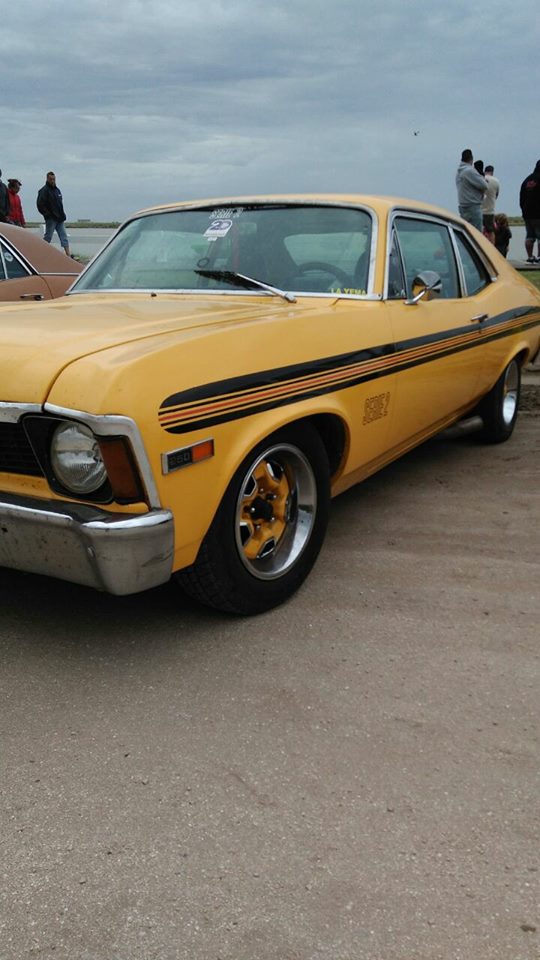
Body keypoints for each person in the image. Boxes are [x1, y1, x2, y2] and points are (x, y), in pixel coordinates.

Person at [36, 171, 71, 256]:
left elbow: (60, 203)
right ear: (47, 179)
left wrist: (62, 214)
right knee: (48, 237)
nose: (52, 181)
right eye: (51, 179)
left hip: (60, 218)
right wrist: (47, 215)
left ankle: (68, 255)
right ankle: (41, 253)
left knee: (64, 236)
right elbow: (40, 204)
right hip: (51, 219)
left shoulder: (57, 190)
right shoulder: (43, 191)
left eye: (54, 179)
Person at [455, 149, 486, 231]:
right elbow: (484, 185)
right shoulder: (470, 171)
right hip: (473, 207)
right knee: (477, 235)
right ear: (471, 159)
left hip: (463, 207)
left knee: (466, 232)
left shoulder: (458, 172)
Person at [519, 159, 540, 264]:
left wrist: (523, 210)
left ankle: (530, 257)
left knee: (529, 236)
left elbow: (521, 198)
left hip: (527, 214)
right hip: (538, 214)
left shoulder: (526, 180)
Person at [481, 164, 500, 244]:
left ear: (485, 171)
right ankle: (491, 248)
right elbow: (496, 195)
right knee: (491, 231)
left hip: (479, 209)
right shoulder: (496, 181)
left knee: (479, 230)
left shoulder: (481, 178)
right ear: (492, 172)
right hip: (490, 210)